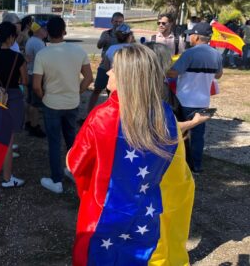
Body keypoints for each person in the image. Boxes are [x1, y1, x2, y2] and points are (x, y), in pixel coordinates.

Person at [67, 44, 194, 266]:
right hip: (145, 215)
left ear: (127, 77)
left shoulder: (102, 117)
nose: (107, 72)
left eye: (113, 69)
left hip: (104, 216)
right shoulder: (165, 114)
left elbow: (75, 164)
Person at [33, 17, 93, 194]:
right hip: (72, 102)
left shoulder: (42, 54)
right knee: (71, 139)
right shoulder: (78, 50)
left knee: (54, 142)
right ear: (64, 31)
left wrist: (44, 98)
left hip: (51, 103)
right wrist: (78, 91)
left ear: (47, 33)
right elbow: (89, 78)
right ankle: (74, 171)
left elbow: (36, 85)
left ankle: (56, 180)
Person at [167, 22, 223, 173]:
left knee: (182, 132)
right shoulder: (216, 54)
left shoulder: (189, 53)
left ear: (197, 37)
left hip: (184, 100)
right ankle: (196, 165)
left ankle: (182, 165)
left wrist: (163, 69)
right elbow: (218, 75)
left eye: (191, 34)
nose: (189, 36)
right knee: (198, 135)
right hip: (203, 101)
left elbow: (173, 73)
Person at [0, 21, 28, 188]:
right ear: (11, 37)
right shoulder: (18, 57)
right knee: (8, 140)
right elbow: (25, 81)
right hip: (13, 97)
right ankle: (7, 177)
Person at [87, 12, 124, 113]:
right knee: (97, 90)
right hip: (104, 67)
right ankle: (88, 114)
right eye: (116, 21)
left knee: (115, 94)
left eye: (120, 22)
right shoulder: (106, 33)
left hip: (119, 69)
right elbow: (99, 46)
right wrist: (104, 40)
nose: (118, 23)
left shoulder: (126, 35)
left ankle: (113, 115)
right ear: (112, 22)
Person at [24, 22, 47, 137]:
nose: (46, 30)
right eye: (44, 28)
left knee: (29, 100)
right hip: (35, 74)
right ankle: (34, 126)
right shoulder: (38, 43)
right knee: (36, 103)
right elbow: (43, 61)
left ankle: (28, 123)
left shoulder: (31, 40)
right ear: (39, 30)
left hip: (29, 72)